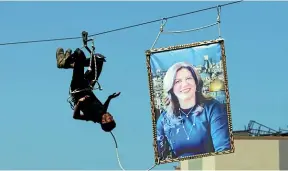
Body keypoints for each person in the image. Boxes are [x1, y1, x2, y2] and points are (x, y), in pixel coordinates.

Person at [156, 61, 231, 159]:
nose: (184, 84)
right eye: (177, 81)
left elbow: (223, 150)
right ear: (171, 88)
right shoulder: (164, 119)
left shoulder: (213, 109)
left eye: (188, 78)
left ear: (196, 82)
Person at [56, 47, 120, 132]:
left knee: (79, 54)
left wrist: (79, 102)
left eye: (110, 119)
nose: (111, 116)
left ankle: (62, 63)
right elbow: (104, 108)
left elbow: (76, 116)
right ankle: (73, 64)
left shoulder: (92, 117)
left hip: (77, 87)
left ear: (103, 121)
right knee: (99, 59)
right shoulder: (102, 113)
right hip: (87, 85)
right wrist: (109, 98)